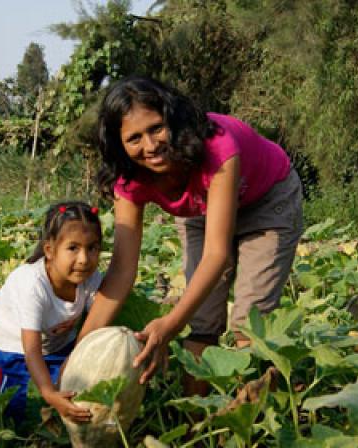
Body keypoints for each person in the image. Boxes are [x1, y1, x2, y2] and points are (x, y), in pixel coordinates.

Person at [78, 76, 304, 394]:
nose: (151, 146)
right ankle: (197, 427)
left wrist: (169, 325)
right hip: (199, 211)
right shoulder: (128, 179)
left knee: (249, 326)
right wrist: (79, 354)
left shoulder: (215, 146)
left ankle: (247, 426)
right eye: (134, 138)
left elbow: (217, 254)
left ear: (172, 119)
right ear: (119, 144)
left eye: (156, 128)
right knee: (201, 323)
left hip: (266, 201)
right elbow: (121, 270)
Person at [0, 201, 102, 422]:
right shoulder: (32, 284)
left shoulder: (91, 278)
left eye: (92, 248)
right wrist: (49, 393)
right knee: (23, 410)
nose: (84, 259)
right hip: (15, 350)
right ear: (49, 250)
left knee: (79, 391)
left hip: (59, 345)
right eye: (73, 248)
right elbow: (31, 351)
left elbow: (101, 323)